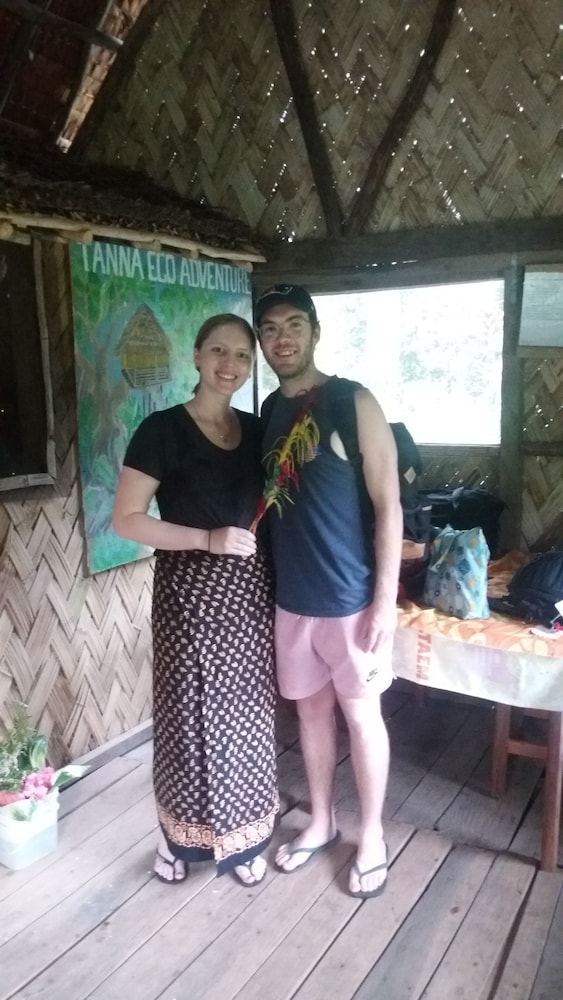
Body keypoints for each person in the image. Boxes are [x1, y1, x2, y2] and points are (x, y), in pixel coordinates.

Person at [113, 313, 278, 888]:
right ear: (197, 356)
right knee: (188, 719)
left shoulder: (258, 432)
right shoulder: (162, 430)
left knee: (247, 719)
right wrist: (206, 539)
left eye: (242, 355)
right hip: (187, 596)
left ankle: (244, 839)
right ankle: (175, 838)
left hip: (249, 596)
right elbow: (127, 519)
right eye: (218, 351)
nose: (229, 364)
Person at [255, 284, 403, 899]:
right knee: (311, 714)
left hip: (350, 600)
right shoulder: (268, 410)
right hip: (292, 599)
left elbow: (389, 505)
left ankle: (372, 836)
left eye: (294, 324)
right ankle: (322, 820)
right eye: (269, 329)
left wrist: (385, 601)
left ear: (315, 332)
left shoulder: (352, 401)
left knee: (362, 718)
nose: (282, 338)